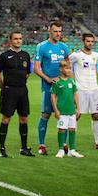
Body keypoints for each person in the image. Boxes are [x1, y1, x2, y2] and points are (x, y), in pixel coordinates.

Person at [33, 21, 71, 156]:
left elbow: (68, 66)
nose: (58, 34)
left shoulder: (64, 48)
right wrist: (48, 79)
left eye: (60, 31)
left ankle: (64, 144)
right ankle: (42, 145)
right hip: (48, 87)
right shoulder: (42, 47)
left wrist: (67, 80)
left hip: (63, 88)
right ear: (49, 31)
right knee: (46, 114)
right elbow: (36, 68)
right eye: (55, 31)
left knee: (64, 115)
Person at [0, 30, 33, 157]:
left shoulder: (26, 55)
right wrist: (3, 87)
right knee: (6, 119)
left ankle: (24, 148)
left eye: (20, 38)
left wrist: (20, 83)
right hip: (9, 90)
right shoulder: (4, 56)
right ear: (10, 40)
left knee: (24, 118)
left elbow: (27, 73)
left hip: (22, 90)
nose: (18, 41)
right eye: (16, 39)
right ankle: (2, 148)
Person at [69, 33, 98, 151]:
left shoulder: (96, 55)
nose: (90, 43)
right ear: (83, 41)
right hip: (81, 89)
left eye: (92, 41)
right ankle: (68, 142)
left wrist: (95, 80)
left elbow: (95, 68)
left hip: (94, 89)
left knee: (96, 115)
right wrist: (73, 81)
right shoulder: (76, 55)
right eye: (88, 41)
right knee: (76, 115)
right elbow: (67, 65)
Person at [51, 58, 82, 158]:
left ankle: (72, 150)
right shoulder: (57, 82)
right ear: (61, 69)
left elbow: (75, 94)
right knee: (62, 130)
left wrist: (78, 108)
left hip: (71, 111)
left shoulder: (71, 82)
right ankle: (60, 150)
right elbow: (53, 96)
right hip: (62, 111)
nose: (69, 70)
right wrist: (56, 110)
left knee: (72, 129)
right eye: (67, 68)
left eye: (70, 68)